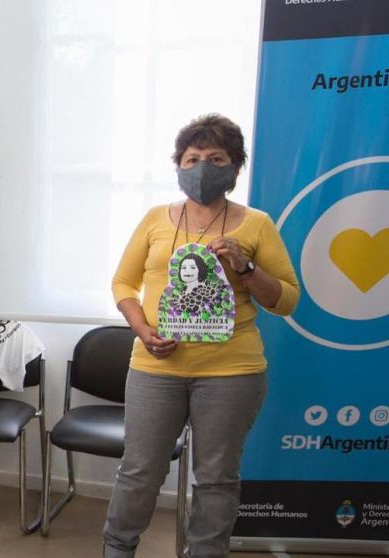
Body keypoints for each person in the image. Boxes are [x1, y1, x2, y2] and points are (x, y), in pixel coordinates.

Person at [105, 114, 300, 558]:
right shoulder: (156, 219)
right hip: (155, 368)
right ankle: (117, 549)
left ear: (235, 167)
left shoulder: (256, 225)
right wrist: (142, 330)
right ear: (177, 166)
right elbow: (122, 283)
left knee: (216, 479)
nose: (201, 168)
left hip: (232, 372)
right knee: (139, 472)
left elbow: (287, 300)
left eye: (216, 158)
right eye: (192, 159)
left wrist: (246, 268)